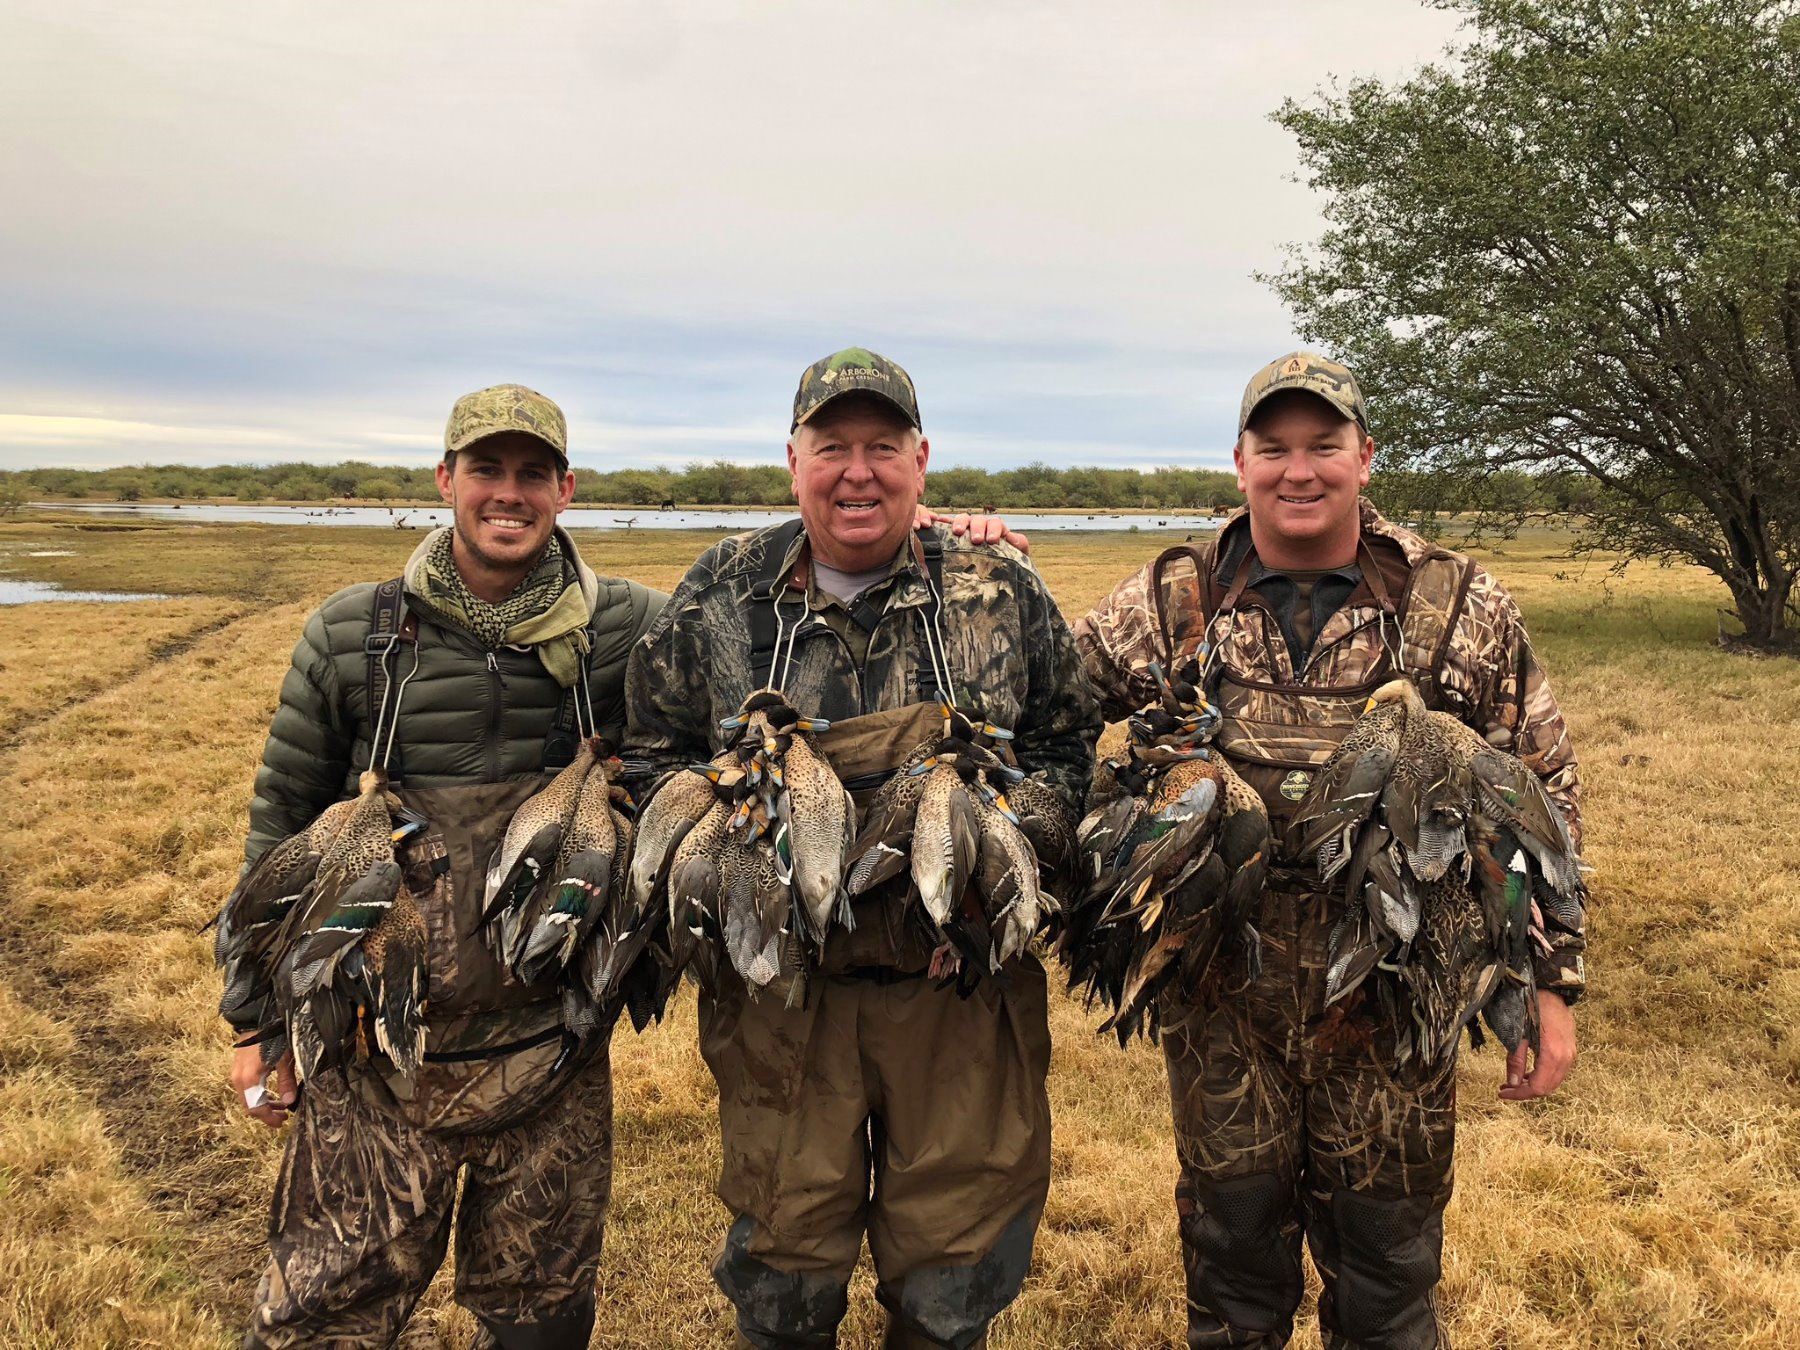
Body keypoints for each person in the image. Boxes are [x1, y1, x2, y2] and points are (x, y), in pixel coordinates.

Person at [1073, 352, 1587, 1349]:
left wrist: (1550, 983)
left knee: (1389, 1273)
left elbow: (1542, 796)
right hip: (1223, 990)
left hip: (1398, 987)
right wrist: (970, 562)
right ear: (1240, 463)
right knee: (1231, 1258)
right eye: (1274, 448)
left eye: (1323, 445)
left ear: (1365, 457)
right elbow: (1048, 705)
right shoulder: (1176, 599)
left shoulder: (1453, 604)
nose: (1298, 470)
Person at [626, 347, 1101, 1349]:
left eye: (883, 447)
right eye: (832, 446)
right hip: (785, 1004)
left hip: (959, 1002)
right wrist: (727, 841)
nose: (858, 471)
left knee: (950, 1279)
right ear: (791, 460)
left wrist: (1000, 848)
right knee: (784, 1275)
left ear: (920, 461)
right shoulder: (723, 592)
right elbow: (651, 752)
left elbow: (1069, 746)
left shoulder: (996, 588)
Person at [225, 383, 665, 1348]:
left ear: (566, 489)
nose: (509, 493)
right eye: (485, 469)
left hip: (554, 1054)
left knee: (543, 1318)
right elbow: (279, 832)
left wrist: (933, 539)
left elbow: (765, 620)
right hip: (374, 1060)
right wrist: (257, 1021)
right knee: (322, 1319)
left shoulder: (630, 628)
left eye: (533, 473)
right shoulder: (355, 634)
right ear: (444, 479)